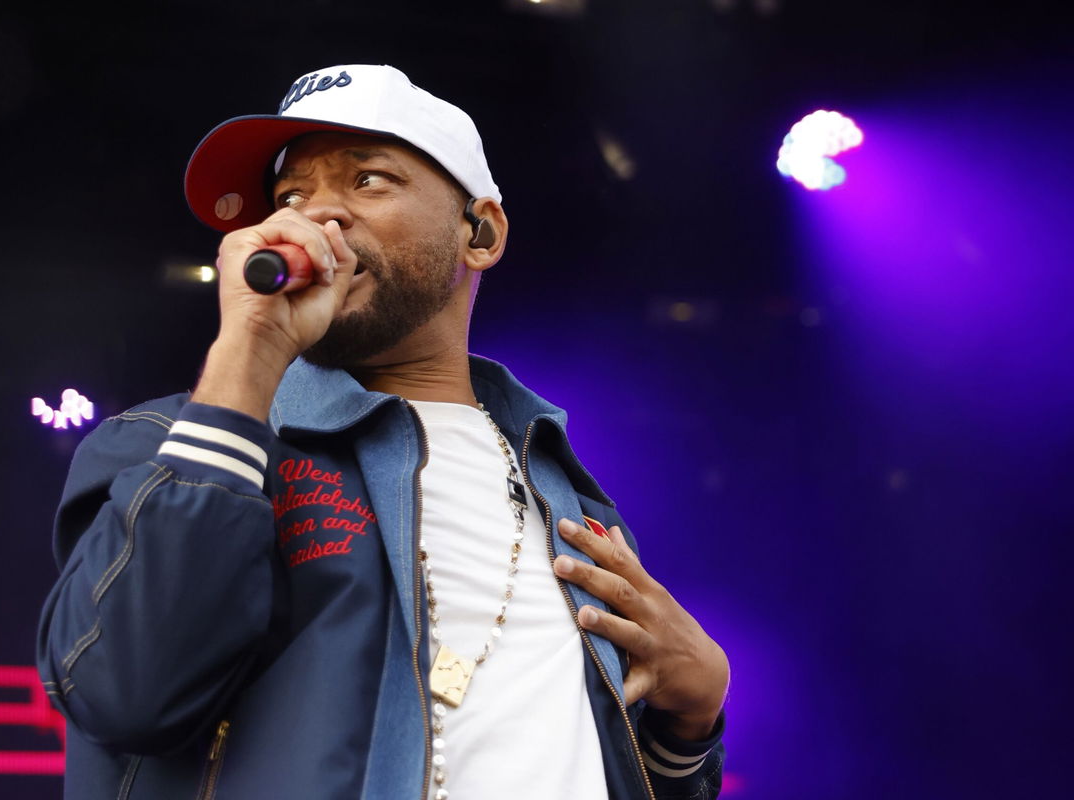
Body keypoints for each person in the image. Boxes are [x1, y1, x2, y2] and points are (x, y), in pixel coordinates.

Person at [37, 63, 728, 800]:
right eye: (290, 196)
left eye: (368, 180)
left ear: (481, 232)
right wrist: (252, 352)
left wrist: (694, 719)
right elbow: (124, 692)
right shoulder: (172, 443)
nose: (317, 217)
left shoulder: (571, 505)